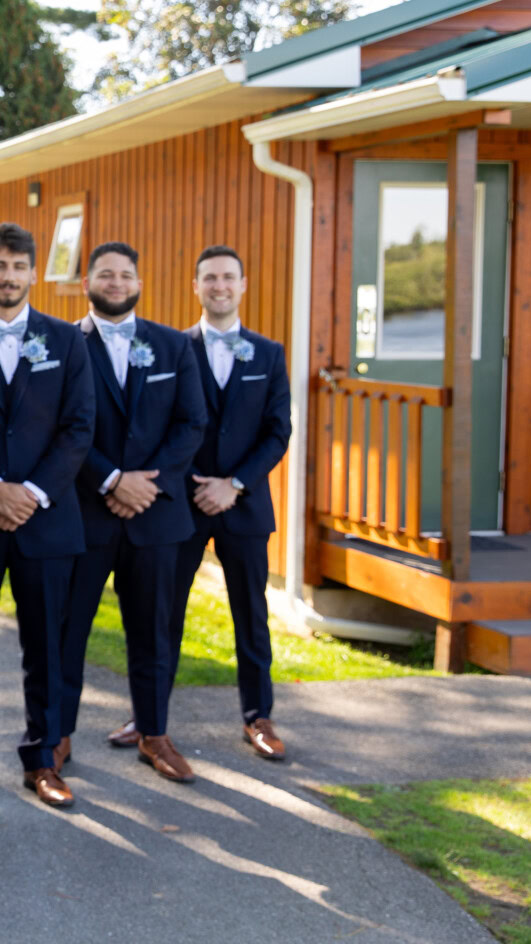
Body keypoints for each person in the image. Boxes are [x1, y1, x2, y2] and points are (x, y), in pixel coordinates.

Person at [0, 222, 95, 811]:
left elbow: (80, 427)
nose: (8, 277)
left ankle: (42, 754)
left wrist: (28, 491)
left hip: (45, 520)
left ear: (34, 273)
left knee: (47, 645)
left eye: (18, 267)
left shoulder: (67, 340)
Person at [60, 242, 206, 784]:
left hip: (157, 514)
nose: (116, 282)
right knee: (67, 630)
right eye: (105, 274)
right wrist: (110, 479)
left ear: (138, 283)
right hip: (86, 513)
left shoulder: (172, 345)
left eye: (125, 274)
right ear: (87, 283)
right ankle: (57, 735)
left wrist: (152, 482)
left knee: (154, 633)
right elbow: (62, 424)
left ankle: (154, 733)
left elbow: (192, 424)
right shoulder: (65, 344)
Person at [172, 245, 292, 760]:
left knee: (251, 612)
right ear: (195, 286)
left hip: (243, 504)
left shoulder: (268, 354)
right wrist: (198, 483)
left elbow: (277, 431)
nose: (219, 286)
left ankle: (258, 716)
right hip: (184, 500)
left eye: (228, 277)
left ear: (243, 285)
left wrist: (235, 484)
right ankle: (148, 716)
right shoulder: (174, 349)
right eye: (209, 278)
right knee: (163, 610)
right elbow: (165, 424)